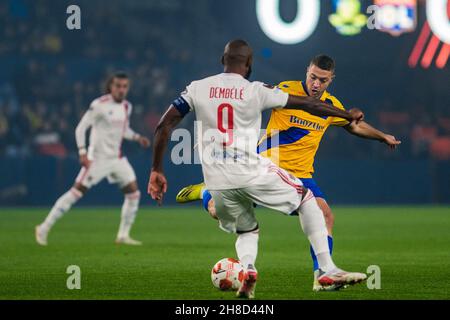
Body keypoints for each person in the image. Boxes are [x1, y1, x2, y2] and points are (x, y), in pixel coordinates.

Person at [148, 40, 367, 299]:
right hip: (250, 170)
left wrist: (157, 170)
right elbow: (310, 105)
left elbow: (164, 126)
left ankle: (248, 269)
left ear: (222, 60)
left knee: (247, 229)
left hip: (218, 179)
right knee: (307, 199)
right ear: (249, 64)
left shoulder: (197, 88)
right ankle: (325, 270)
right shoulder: (256, 90)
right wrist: (345, 113)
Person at [176, 54, 401, 291]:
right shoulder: (285, 90)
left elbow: (354, 125)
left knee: (325, 216)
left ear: (331, 79)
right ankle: (206, 193)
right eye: (313, 77)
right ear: (307, 71)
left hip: (302, 173)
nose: (316, 84)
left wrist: (382, 136)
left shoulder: (332, 106)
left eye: (322, 80)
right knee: (218, 212)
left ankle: (321, 277)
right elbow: (246, 105)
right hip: (267, 166)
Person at [35, 72, 151, 246]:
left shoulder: (127, 106)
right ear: (110, 87)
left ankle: (123, 235)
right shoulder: (99, 105)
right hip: (97, 159)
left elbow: (123, 129)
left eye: (125, 86)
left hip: (117, 159)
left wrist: (136, 137)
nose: (121, 90)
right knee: (75, 193)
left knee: (134, 193)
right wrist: (82, 152)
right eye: (118, 86)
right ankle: (44, 227)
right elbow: (80, 129)